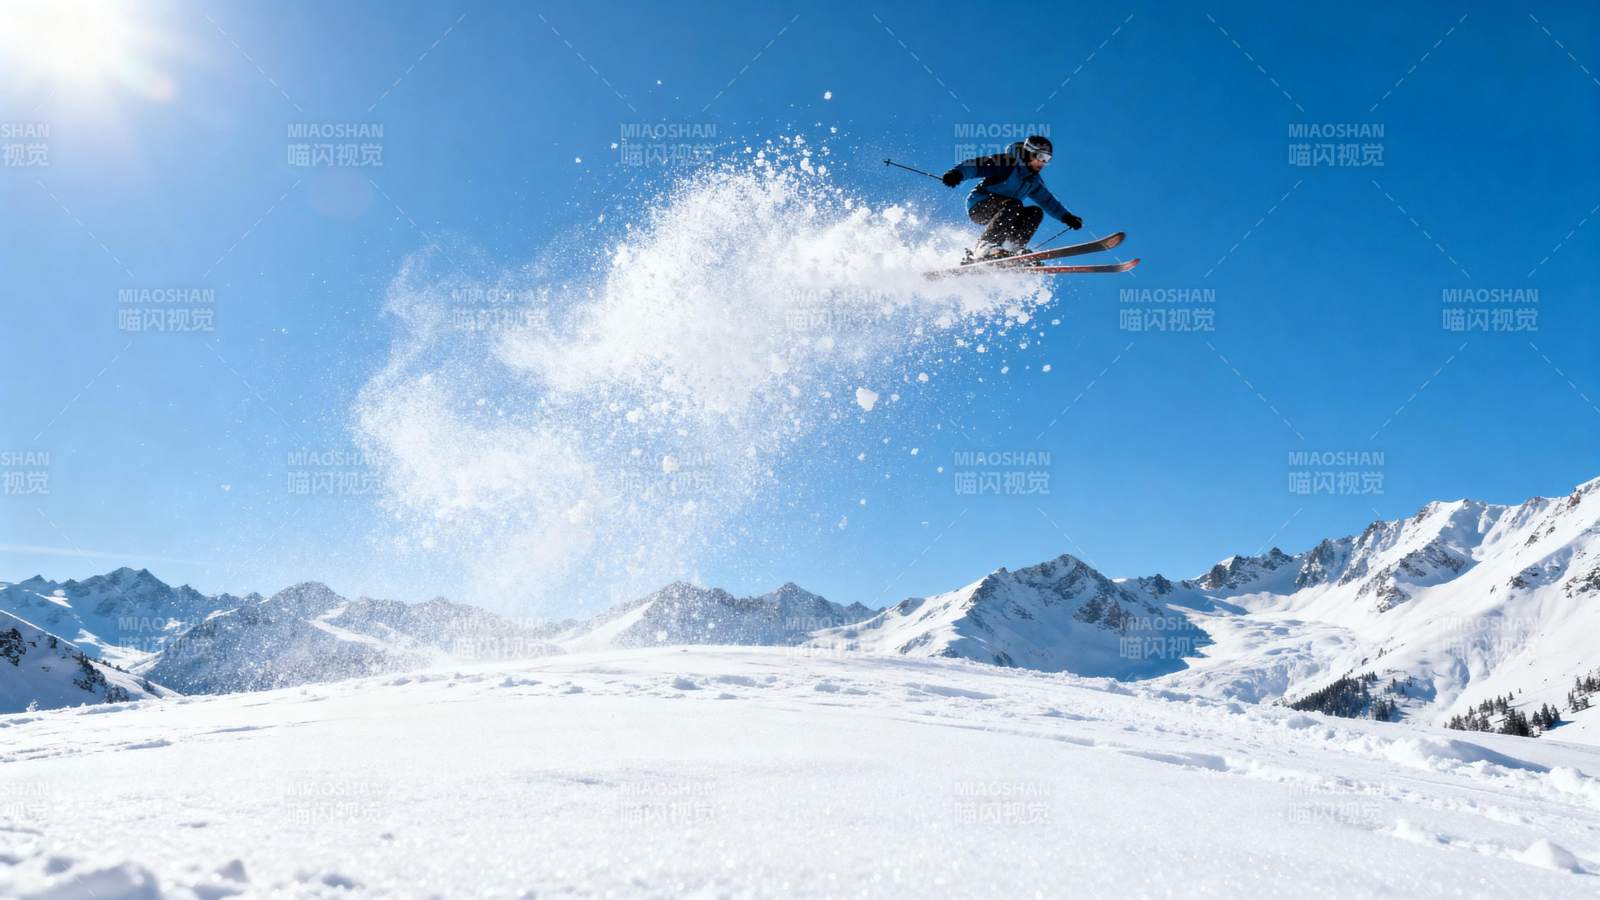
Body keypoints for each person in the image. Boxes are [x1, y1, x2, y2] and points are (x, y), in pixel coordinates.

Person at [942, 135, 1083, 262]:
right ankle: (985, 246)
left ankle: (1011, 248)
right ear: (1029, 153)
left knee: (1035, 212)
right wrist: (957, 174)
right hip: (979, 205)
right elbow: (977, 166)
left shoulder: (1033, 180)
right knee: (1014, 204)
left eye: (1047, 159)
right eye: (1041, 157)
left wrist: (1067, 217)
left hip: (1007, 212)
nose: (1043, 163)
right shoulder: (1007, 163)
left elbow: (1048, 201)